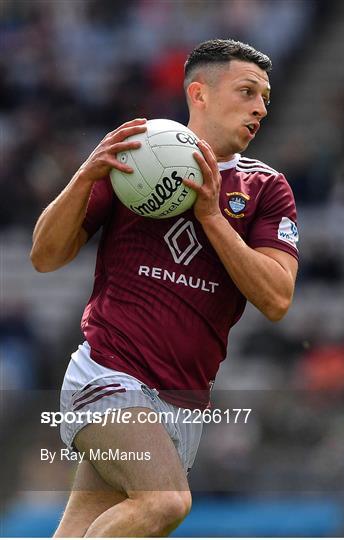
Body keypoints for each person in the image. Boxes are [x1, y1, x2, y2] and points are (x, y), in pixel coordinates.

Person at [30, 39, 299, 537]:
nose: (260, 107)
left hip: (184, 400)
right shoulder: (137, 155)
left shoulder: (267, 188)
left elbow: (277, 298)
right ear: (199, 93)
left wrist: (212, 218)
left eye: (265, 97)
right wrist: (84, 177)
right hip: (109, 375)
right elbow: (45, 256)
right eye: (247, 92)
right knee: (165, 501)